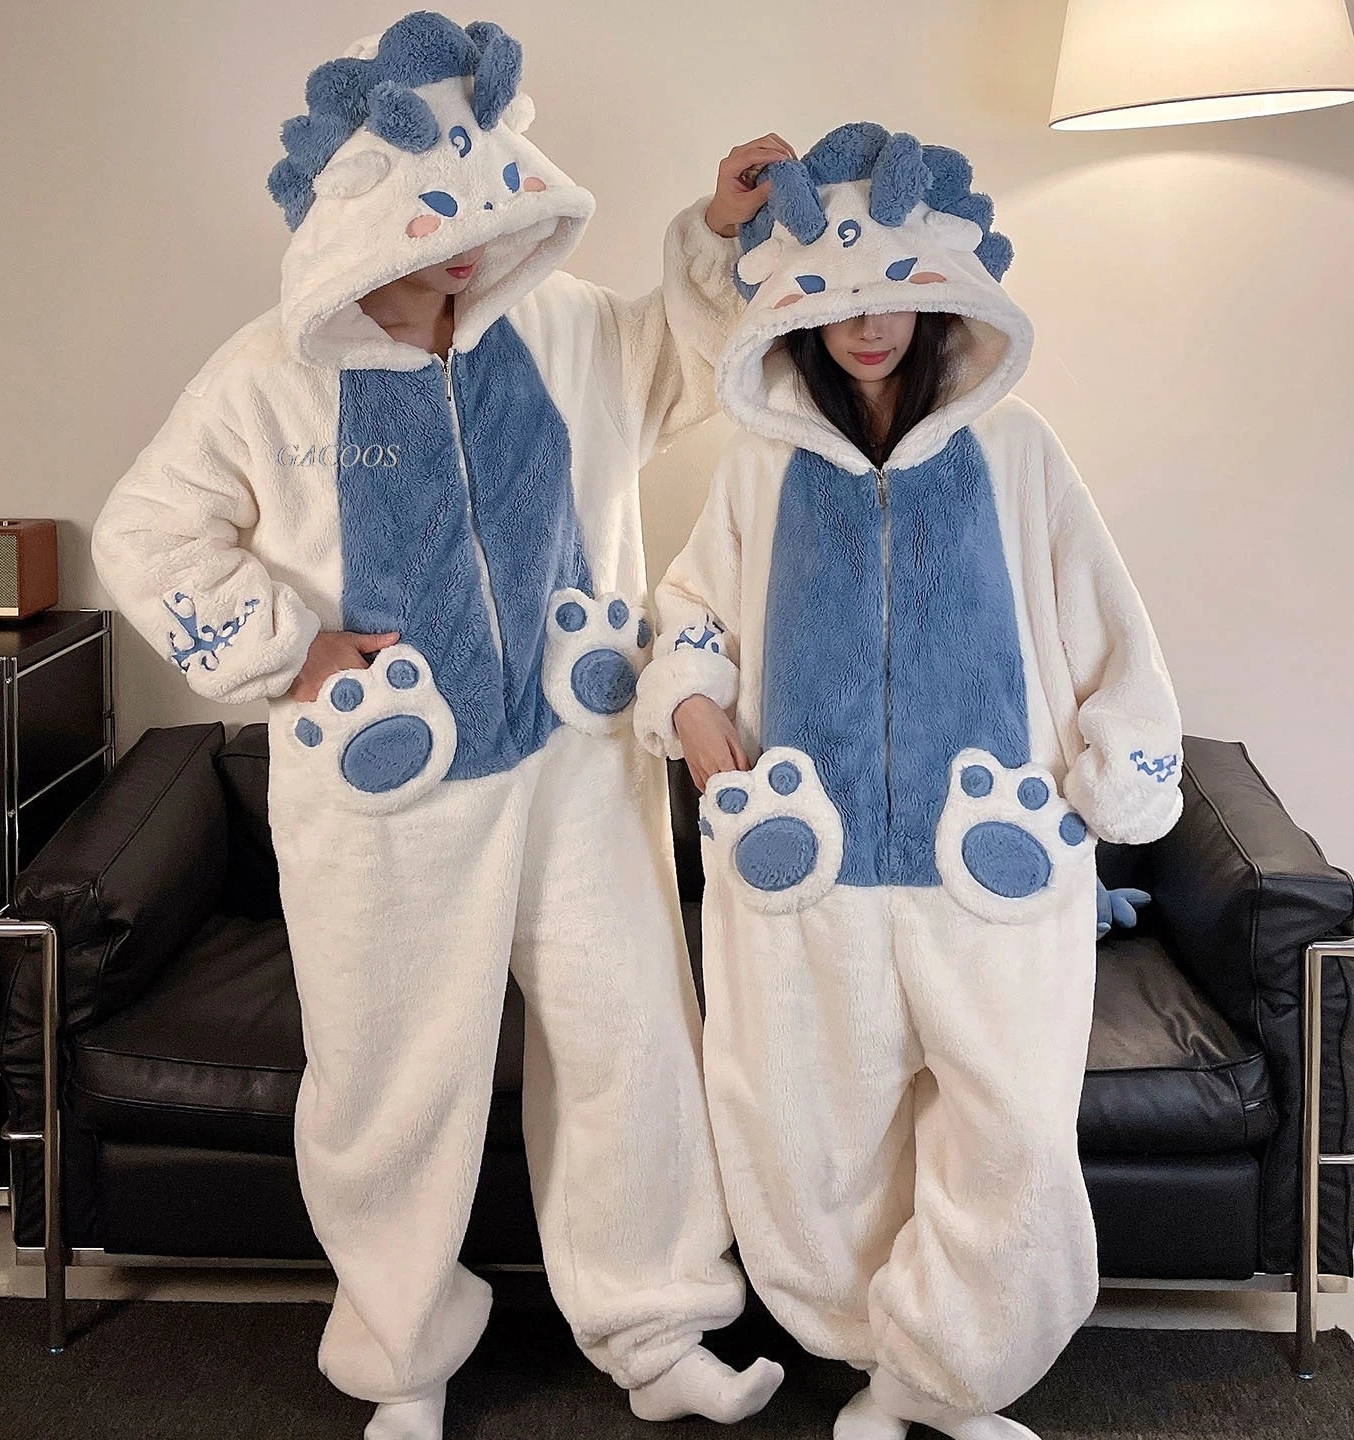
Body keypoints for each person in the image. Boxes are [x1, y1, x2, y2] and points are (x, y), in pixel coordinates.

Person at [92, 13, 794, 1439]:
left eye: (479, 224)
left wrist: (717, 237)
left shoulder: (564, 325)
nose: (461, 259)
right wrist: (291, 653)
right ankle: (404, 1356)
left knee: (627, 1042)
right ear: (355, 238)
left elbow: (680, 357)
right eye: (424, 240)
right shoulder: (266, 376)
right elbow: (144, 533)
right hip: (385, 799)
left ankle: (654, 1323)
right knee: (393, 1073)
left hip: (578, 761)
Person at [634, 122, 1185, 1440]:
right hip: (803, 873)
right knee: (811, 1146)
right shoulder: (761, 463)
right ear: (795, 308)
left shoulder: (1017, 455)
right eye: (836, 301)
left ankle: (941, 1383)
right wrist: (700, 725)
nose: (869, 325)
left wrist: (1118, 782)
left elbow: (1115, 633)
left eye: (896, 296)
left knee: (1010, 1143)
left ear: (943, 296)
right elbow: (686, 621)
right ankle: (889, 1371)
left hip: (991, 870)